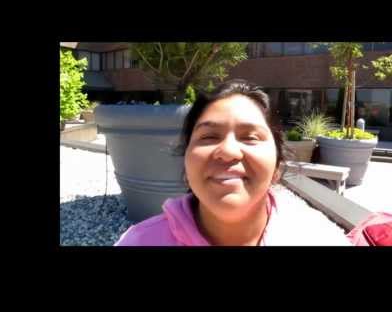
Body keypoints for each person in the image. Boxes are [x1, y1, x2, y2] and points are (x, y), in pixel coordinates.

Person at [115, 80, 352, 246]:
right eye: (208, 137)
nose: (228, 151)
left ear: (277, 168)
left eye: (250, 137)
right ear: (186, 164)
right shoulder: (138, 241)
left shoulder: (319, 238)